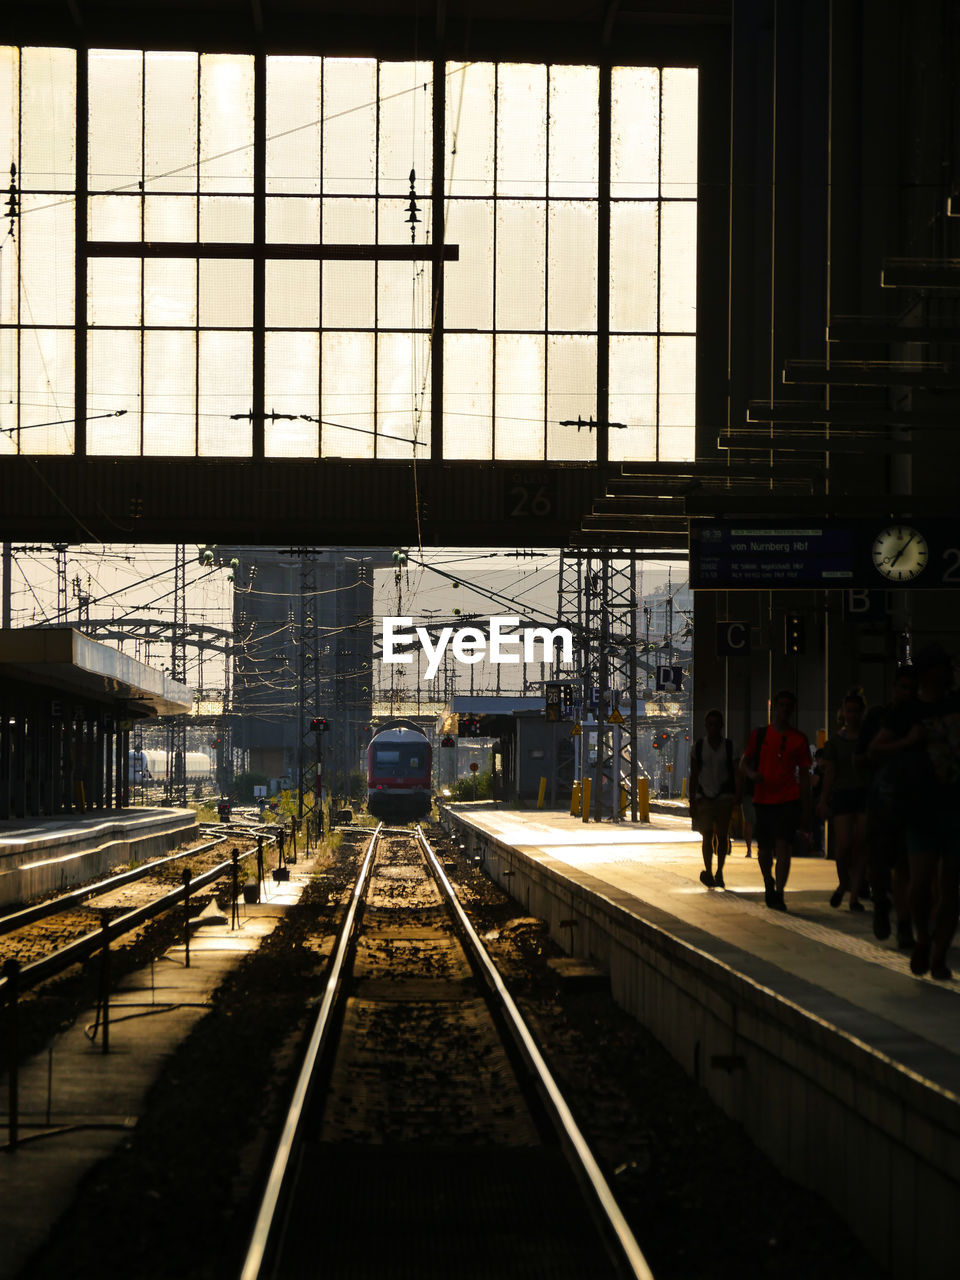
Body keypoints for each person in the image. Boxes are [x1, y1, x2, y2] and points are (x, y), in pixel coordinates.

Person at [868, 646, 960, 979]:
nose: (947, 672)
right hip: (920, 808)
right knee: (920, 884)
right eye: (941, 667)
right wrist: (908, 741)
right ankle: (923, 938)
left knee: (951, 886)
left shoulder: (956, 705)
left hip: (954, 807)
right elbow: (876, 750)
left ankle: (938, 955)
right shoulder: (906, 713)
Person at [860, 664, 917, 947]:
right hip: (882, 802)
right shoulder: (879, 718)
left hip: (911, 803)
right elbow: (865, 753)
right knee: (881, 864)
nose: (907, 693)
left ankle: (904, 923)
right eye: (903, 687)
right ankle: (881, 903)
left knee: (905, 866)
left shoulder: (921, 716)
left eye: (912, 688)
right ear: (894, 688)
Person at [740, 689, 812, 911]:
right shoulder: (760, 736)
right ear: (774, 709)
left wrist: (806, 807)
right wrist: (752, 775)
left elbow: (805, 774)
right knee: (764, 851)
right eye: (781, 706)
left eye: (789, 707)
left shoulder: (799, 739)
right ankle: (767, 881)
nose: (785, 711)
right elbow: (744, 762)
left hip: (788, 800)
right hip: (763, 800)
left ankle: (779, 892)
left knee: (783, 847)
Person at [819, 690, 869, 911]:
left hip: (864, 794)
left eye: (856, 711)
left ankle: (854, 896)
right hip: (842, 794)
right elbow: (829, 772)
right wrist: (823, 799)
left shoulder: (869, 740)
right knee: (844, 845)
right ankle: (843, 883)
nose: (853, 715)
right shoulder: (835, 742)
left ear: (862, 713)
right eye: (849, 711)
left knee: (860, 844)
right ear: (844, 713)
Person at [689, 709, 740, 889]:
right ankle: (709, 871)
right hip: (704, 797)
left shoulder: (729, 747)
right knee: (707, 836)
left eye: (716, 724)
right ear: (706, 726)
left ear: (721, 726)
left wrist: (737, 795)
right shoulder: (699, 747)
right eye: (710, 724)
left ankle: (720, 871)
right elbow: (694, 775)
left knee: (722, 836)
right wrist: (692, 801)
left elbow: (736, 772)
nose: (713, 728)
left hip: (724, 797)